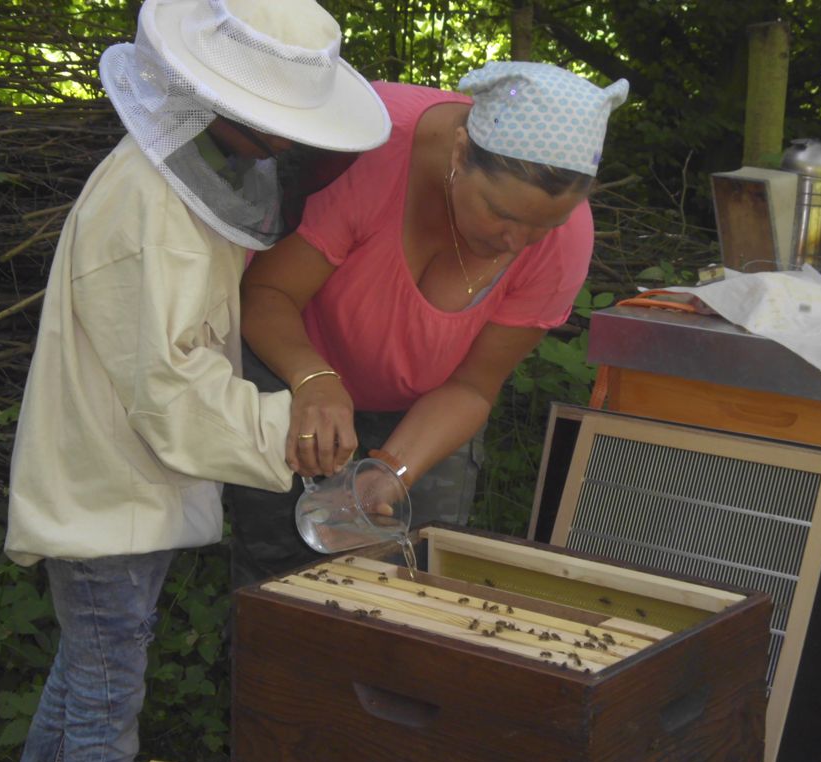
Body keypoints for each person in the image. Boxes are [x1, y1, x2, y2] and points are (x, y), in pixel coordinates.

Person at [3, 0, 390, 762]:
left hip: (125, 488)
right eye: (275, 125)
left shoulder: (179, 185)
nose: (285, 143)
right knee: (107, 698)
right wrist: (290, 431)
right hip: (103, 497)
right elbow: (169, 385)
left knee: (86, 677)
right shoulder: (147, 207)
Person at [226, 61, 628, 587]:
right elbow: (266, 293)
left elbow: (472, 385)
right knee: (279, 568)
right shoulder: (371, 149)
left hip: (428, 412)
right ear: (460, 152)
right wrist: (312, 378)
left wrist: (390, 471)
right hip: (290, 366)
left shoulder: (565, 242)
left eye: (543, 226)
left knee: (409, 574)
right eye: (500, 212)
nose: (516, 242)